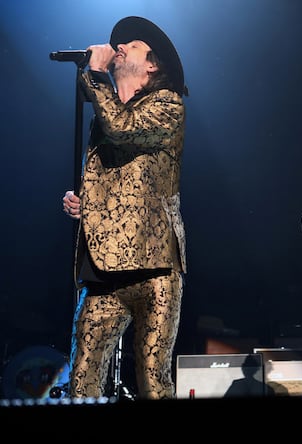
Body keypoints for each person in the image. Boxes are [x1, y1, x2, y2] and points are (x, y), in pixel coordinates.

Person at [61, 16, 188, 400]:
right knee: (82, 379)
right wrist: (86, 203)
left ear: (152, 64)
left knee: (153, 381)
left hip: (154, 268)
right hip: (103, 271)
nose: (119, 47)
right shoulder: (105, 113)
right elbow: (116, 171)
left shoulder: (168, 105)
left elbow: (122, 127)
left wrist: (96, 75)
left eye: (131, 45)